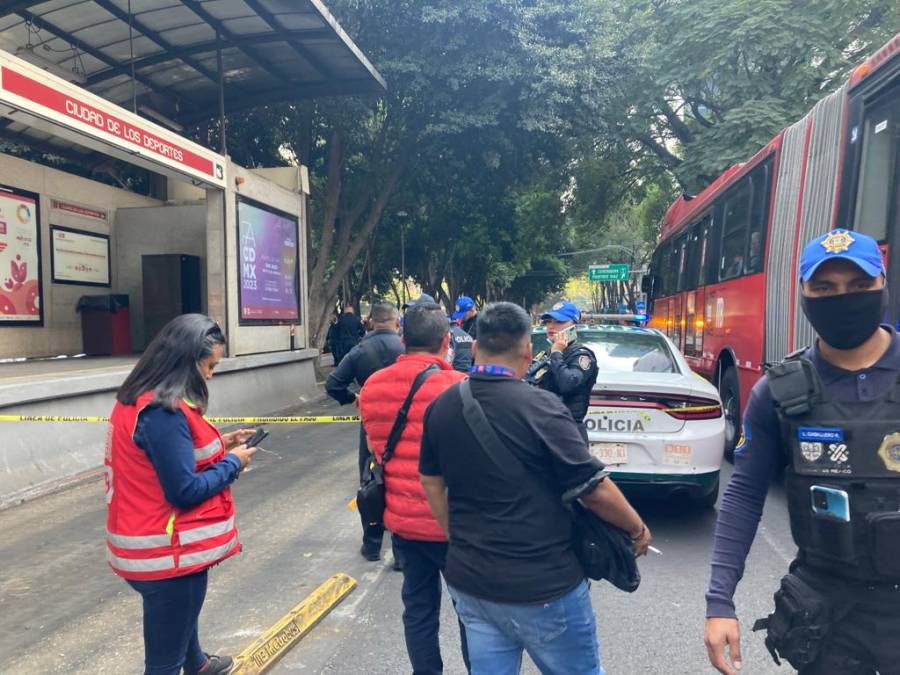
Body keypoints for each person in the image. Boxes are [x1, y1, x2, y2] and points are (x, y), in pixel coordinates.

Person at [704, 228, 900, 675]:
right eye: (825, 288)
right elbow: (742, 498)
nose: (842, 297)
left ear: (882, 283)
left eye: (858, 285)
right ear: (804, 294)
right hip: (830, 616)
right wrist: (719, 602)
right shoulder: (778, 391)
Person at [419, 302, 651, 675]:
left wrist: (455, 536)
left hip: (473, 586)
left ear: (475, 350)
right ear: (527, 352)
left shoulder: (442, 407)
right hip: (544, 589)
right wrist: (636, 528)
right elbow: (593, 489)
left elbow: (431, 481)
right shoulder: (542, 408)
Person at [106, 314, 259, 675]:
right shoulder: (164, 411)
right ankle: (189, 664)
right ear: (186, 361)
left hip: (148, 542)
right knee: (163, 662)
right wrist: (234, 464)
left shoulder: (140, 401)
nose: (210, 375)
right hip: (166, 552)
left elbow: (166, 458)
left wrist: (223, 444)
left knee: (178, 619)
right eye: (209, 365)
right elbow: (185, 490)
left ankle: (199, 664)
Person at [358, 302, 469, 675]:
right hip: (454, 522)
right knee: (471, 612)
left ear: (403, 339)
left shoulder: (373, 387)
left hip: (403, 522)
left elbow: (377, 448)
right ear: (446, 341)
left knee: (419, 609)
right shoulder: (459, 388)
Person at [325, 301, 404, 562]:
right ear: (396, 321)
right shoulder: (406, 348)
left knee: (371, 482)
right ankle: (402, 552)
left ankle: (372, 545)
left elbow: (333, 383)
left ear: (371, 321)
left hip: (371, 427)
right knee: (403, 482)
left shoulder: (360, 350)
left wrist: (354, 398)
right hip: (406, 424)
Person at [525, 301, 599, 437]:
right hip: (543, 428)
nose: (551, 326)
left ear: (574, 327)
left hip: (568, 431)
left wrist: (556, 354)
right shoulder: (548, 352)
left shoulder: (581, 355)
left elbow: (568, 383)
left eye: (559, 322)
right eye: (548, 322)